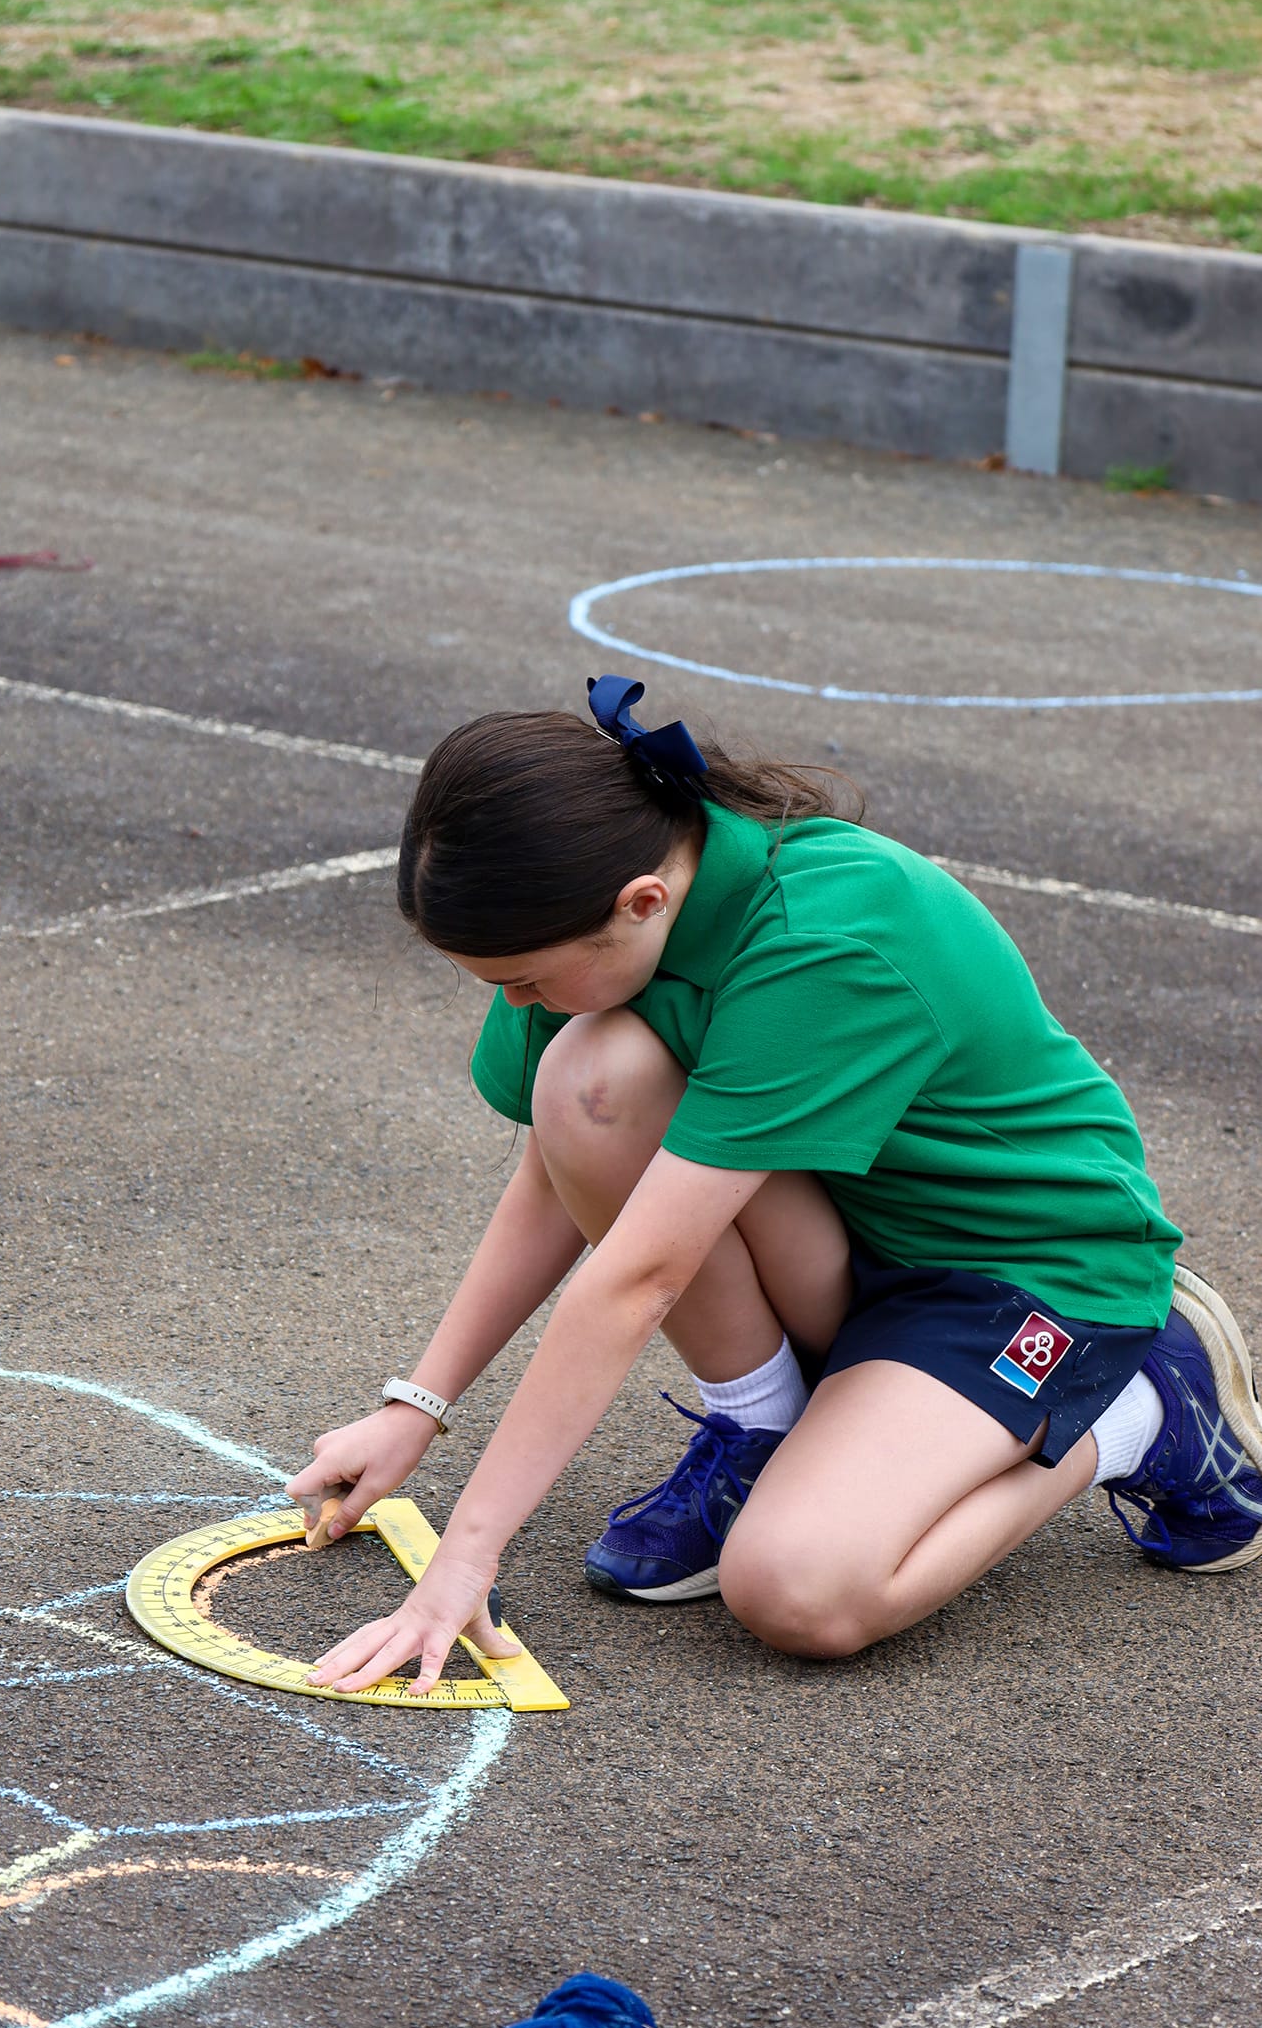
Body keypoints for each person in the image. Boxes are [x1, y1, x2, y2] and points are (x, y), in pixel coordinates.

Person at [289, 676, 1262, 1695]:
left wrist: (466, 1555)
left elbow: (637, 1278)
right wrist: (415, 1407)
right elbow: (553, 1179)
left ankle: (1141, 1409)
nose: (516, 1003)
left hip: (1026, 1277)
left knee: (798, 1589)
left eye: (525, 980)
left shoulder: (823, 938)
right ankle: (763, 1426)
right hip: (853, 1231)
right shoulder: (597, 917)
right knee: (589, 1082)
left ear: (643, 901)